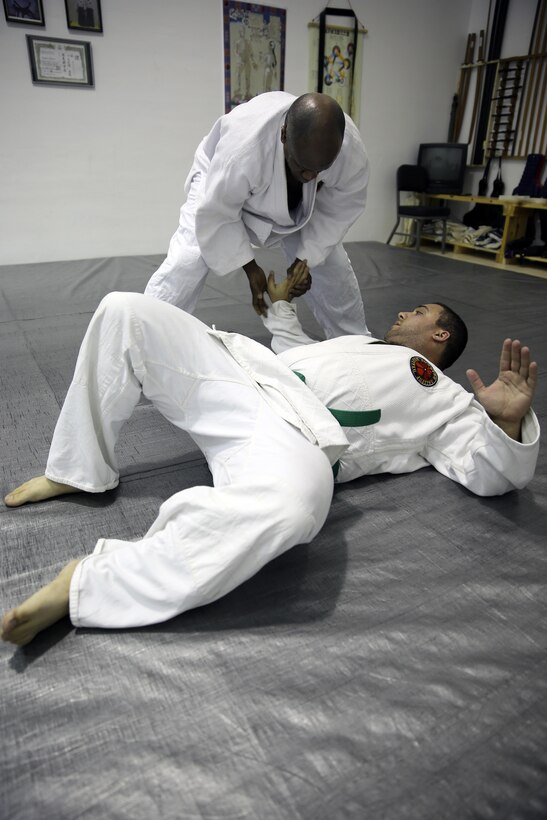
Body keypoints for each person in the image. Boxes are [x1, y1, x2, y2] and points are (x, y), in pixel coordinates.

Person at [1, 263, 539, 646]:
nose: (403, 310)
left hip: (293, 438)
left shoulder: (445, 397)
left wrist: (504, 422)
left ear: (440, 334)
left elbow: (488, 472)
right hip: (243, 380)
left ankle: (91, 582)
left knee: (295, 509)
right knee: (126, 310)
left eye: (419, 312)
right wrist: (281, 304)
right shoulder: (358, 342)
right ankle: (78, 469)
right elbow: (289, 343)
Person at [144, 91, 370, 340]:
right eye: (303, 167)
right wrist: (251, 269)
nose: (309, 176)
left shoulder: (348, 149)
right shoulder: (243, 148)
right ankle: (145, 338)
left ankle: (356, 341)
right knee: (188, 260)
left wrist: (305, 259)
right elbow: (218, 213)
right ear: (284, 134)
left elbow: (340, 207)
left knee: (332, 264)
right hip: (218, 183)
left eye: (319, 170)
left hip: (297, 202)